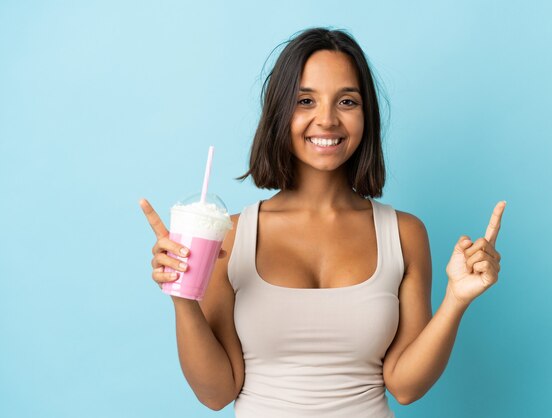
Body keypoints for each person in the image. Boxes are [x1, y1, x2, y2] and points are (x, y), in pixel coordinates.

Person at [139, 27, 506, 418]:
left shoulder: (404, 233)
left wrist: (456, 300)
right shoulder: (230, 234)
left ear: (367, 115)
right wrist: (182, 294)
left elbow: (405, 386)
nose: (327, 119)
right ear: (280, 112)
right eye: (305, 100)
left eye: (347, 101)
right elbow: (216, 393)